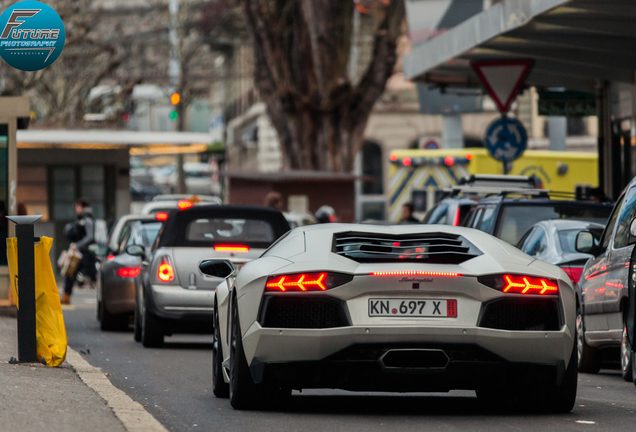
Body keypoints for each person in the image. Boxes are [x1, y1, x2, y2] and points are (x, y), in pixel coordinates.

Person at [61, 198, 97, 305]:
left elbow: (90, 236)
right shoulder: (82, 219)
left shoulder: (87, 219)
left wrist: (77, 245)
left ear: (83, 207)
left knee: (72, 272)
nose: (76, 209)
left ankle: (66, 296)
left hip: (85, 253)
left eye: (78, 206)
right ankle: (66, 296)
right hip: (82, 252)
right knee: (70, 272)